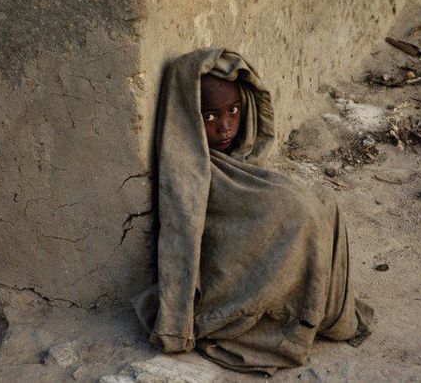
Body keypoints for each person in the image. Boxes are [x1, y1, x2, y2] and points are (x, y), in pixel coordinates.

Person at [134, 48, 372, 375]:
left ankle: (314, 305)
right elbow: (188, 243)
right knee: (301, 212)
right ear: (187, 118)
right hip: (226, 295)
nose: (225, 126)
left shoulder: (240, 163)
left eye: (233, 110)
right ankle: (289, 316)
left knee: (324, 203)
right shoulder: (190, 172)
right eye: (209, 116)